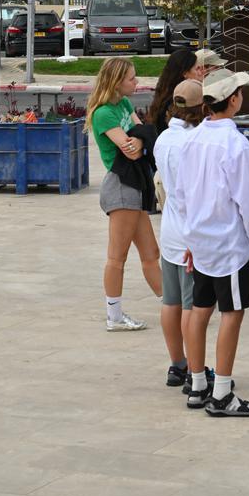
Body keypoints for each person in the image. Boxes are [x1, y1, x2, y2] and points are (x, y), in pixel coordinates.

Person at [177, 69, 249, 417]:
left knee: (200, 309)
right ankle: (223, 392)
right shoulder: (235, 143)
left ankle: (198, 383)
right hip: (228, 243)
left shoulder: (193, 139)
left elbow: (181, 195)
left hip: (200, 240)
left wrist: (190, 237)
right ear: (232, 101)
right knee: (232, 312)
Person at [86, 58, 162, 332]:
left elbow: (144, 133)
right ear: (116, 81)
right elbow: (130, 148)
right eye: (131, 78)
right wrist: (140, 140)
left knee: (151, 252)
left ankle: (173, 304)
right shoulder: (104, 113)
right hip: (120, 185)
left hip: (135, 184)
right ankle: (114, 315)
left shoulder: (125, 104)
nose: (136, 82)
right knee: (117, 257)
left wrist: (140, 139)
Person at [153, 79, 204, 388]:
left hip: (170, 228)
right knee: (190, 306)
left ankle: (178, 365)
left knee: (170, 302)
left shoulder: (163, 138)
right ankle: (196, 372)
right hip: (190, 233)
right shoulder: (194, 142)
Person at [148, 49, 210, 136]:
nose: (201, 72)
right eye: (197, 69)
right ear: (185, 73)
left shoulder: (165, 95)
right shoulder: (180, 100)